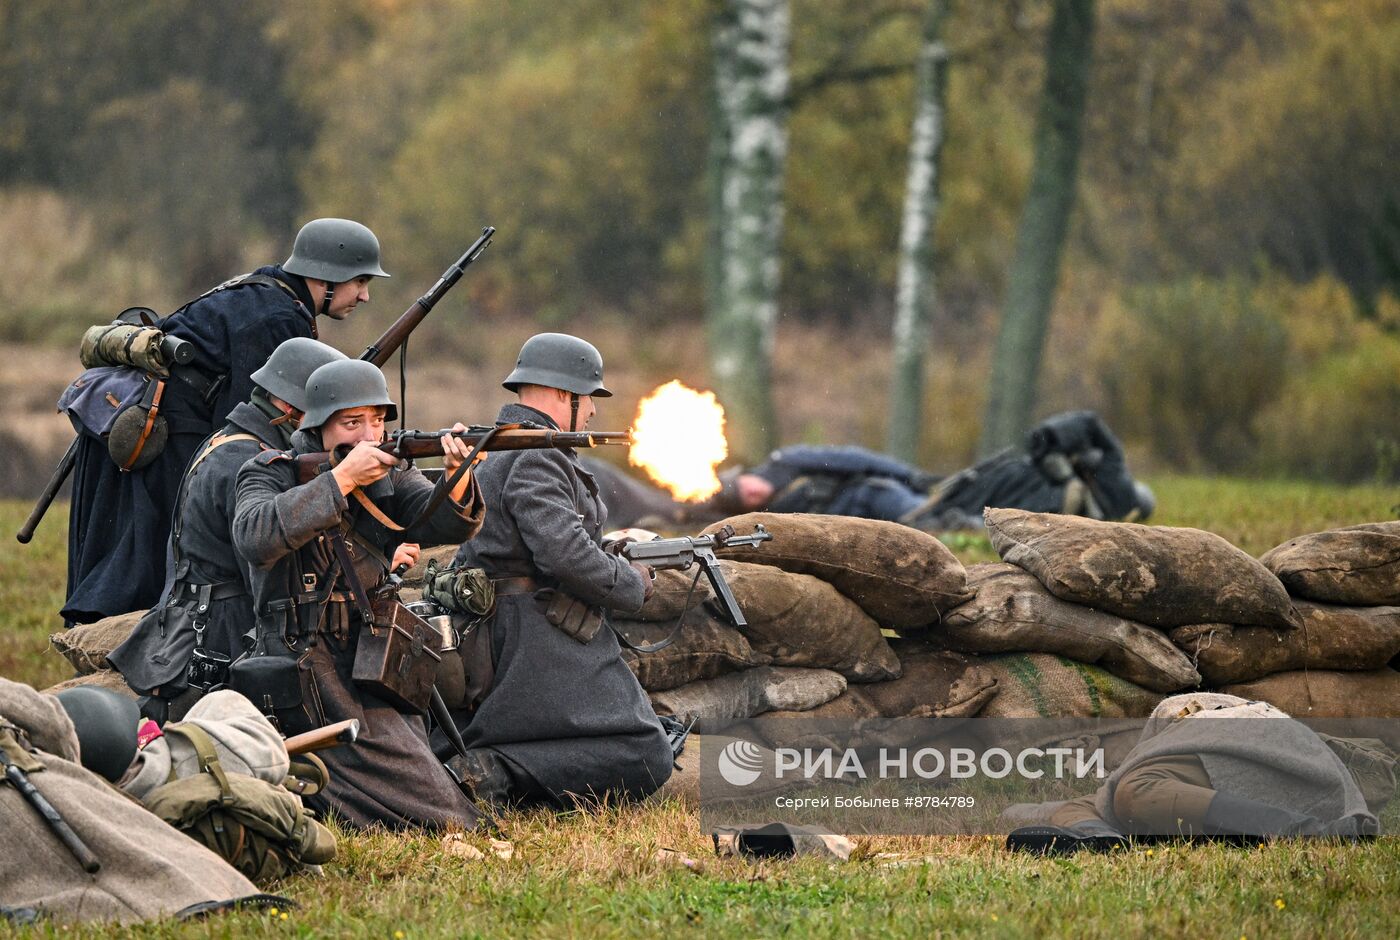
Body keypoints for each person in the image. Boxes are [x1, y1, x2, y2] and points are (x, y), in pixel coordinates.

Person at [63, 218, 390, 625]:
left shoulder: (266, 294)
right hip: (162, 445)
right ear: (325, 278)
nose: (365, 295)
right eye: (359, 281)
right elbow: (250, 434)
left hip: (149, 433)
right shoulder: (277, 319)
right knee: (140, 577)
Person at [230, 359, 485, 830]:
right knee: (435, 809)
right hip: (307, 665)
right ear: (317, 425)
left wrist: (458, 475)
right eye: (353, 423)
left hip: (372, 657)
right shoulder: (270, 471)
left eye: (378, 420)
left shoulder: (390, 471)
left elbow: (440, 524)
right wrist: (343, 479)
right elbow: (254, 536)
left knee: (430, 785)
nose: (371, 435)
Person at [439, 332, 674, 808]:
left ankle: (491, 764)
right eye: (588, 399)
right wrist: (632, 583)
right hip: (536, 638)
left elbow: (536, 538)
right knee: (647, 753)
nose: (591, 412)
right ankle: (495, 772)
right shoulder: (537, 453)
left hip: (508, 634)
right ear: (565, 395)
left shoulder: (499, 445)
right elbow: (562, 554)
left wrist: (609, 548)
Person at [108, 337, 347, 721]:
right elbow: (265, 571)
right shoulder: (248, 458)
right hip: (225, 633)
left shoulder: (228, 440)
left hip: (198, 617)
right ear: (288, 408)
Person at [1005, 693, 1383, 855]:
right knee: (1107, 799)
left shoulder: (1199, 718)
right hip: (1222, 763)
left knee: (1133, 791)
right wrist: (1014, 814)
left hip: (1253, 743)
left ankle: (1310, 834)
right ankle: (1100, 839)